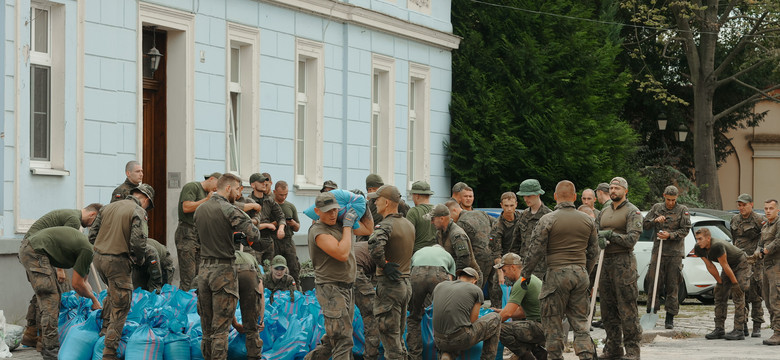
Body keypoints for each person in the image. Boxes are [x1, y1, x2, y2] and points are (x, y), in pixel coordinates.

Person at [521, 180, 599, 360]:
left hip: (556, 275)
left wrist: (525, 275)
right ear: (574, 197)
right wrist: (584, 270)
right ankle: (586, 356)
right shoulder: (588, 220)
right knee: (580, 324)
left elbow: (535, 252)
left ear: (555, 197)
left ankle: (555, 356)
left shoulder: (547, 219)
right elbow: (594, 251)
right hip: (580, 275)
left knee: (553, 323)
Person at [194, 173, 261, 359]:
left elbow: (202, 237)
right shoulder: (229, 209)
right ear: (228, 188)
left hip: (204, 271)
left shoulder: (200, 209)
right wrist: (253, 222)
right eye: (239, 189)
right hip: (223, 271)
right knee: (221, 329)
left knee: (207, 330)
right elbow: (254, 235)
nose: (239, 195)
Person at [19, 204, 102, 348]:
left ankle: (32, 335)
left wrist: (92, 298)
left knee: (45, 291)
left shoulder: (72, 218)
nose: (91, 226)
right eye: (94, 222)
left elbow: (83, 280)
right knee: (50, 296)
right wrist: (60, 270)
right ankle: (49, 347)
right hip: (36, 250)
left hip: (34, 248)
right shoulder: (74, 221)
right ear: (92, 214)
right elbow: (77, 284)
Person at [90, 183, 155, 360]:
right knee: (122, 305)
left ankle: (103, 333)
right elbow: (138, 241)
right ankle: (109, 352)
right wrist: (139, 259)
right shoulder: (138, 211)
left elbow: (91, 236)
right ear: (146, 199)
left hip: (99, 258)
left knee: (112, 294)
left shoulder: (107, 207)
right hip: (118, 261)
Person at [304, 192, 358, 360]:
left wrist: (361, 206)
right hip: (331, 288)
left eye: (335, 210)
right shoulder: (318, 231)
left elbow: (368, 229)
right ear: (317, 211)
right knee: (343, 340)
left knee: (333, 337)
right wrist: (347, 227)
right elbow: (342, 254)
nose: (333, 214)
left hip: (346, 287)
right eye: (328, 211)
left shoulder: (337, 225)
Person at [594, 177, 642, 360]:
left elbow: (631, 240)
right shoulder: (604, 211)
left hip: (624, 264)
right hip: (605, 262)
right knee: (607, 309)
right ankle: (613, 348)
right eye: (611, 188)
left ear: (625, 191)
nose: (613, 190)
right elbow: (595, 231)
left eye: (617, 188)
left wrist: (611, 236)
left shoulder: (633, 212)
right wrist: (598, 238)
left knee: (627, 309)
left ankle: (632, 351)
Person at [368, 185, 415, 359]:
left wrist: (383, 264)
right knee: (398, 338)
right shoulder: (408, 224)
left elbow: (374, 245)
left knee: (390, 338)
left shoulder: (386, 224)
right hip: (404, 283)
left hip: (389, 286)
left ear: (386, 202)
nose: (374, 202)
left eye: (377, 199)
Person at [642, 185, 692, 329]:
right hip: (658, 252)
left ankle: (670, 317)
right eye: (668, 199)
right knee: (653, 282)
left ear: (677, 198)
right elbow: (645, 225)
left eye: (673, 200)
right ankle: (651, 311)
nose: (671, 202)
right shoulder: (657, 208)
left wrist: (670, 235)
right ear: (664, 196)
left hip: (674, 253)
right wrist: (655, 221)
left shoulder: (682, 210)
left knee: (672, 284)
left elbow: (685, 229)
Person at [432, 267, 501, 360]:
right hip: (460, 339)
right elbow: (473, 320)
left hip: (439, 340)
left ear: (458, 277)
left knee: (452, 328)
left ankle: (447, 354)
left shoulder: (440, 286)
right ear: (474, 281)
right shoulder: (475, 290)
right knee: (496, 317)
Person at [695, 228, 751, 341]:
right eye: (697, 239)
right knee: (720, 295)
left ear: (708, 238)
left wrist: (735, 284)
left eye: (700, 239)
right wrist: (719, 283)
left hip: (741, 262)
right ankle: (719, 329)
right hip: (728, 265)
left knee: (738, 294)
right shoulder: (698, 248)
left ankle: (739, 329)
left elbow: (725, 265)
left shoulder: (717, 246)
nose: (698, 242)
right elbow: (710, 266)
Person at [493, 253, 546, 360]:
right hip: (547, 326)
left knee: (499, 329)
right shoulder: (529, 278)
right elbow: (521, 312)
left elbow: (507, 314)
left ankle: (528, 358)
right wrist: (501, 312)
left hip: (541, 327)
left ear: (512, 267)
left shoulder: (521, 282)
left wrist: (489, 323)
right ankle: (540, 354)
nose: (505, 275)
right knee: (516, 328)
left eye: (504, 271)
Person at [408, 244, 455, 360]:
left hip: (416, 274)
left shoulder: (419, 251)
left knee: (414, 318)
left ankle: (415, 355)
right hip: (439, 274)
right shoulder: (447, 255)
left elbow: (409, 272)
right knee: (443, 318)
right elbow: (450, 281)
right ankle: (443, 354)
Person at [176, 172, 221, 291]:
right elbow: (186, 207)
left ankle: (197, 305)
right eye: (218, 184)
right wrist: (206, 200)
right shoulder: (193, 187)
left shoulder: (209, 194)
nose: (217, 188)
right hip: (187, 233)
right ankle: (185, 304)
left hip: (200, 235)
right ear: (211, 179)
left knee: (200, 276)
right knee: (188, 277)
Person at [731, 193, 766, 337]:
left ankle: (757, 324)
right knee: (740, 293)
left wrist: (758, 252)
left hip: (755, 262)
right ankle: (742, 323)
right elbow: (734, 238)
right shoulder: (735, 219)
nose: (741, 207)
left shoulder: (759, 219)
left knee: (755, 293)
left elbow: (764, 238)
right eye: (739, 205)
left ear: (751, 204)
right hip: (740, 261)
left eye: (744, 205)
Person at [454, 192, 499, 303]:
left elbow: (461, 243)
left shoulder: (461, 222)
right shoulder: (481, 213)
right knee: (494, 286)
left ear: (454, 211)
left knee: (476, 286)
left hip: (478, 258)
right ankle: (497, 311)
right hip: (492, 255)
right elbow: (497, 223)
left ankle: (474, 310)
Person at [430, 202, 481, 277]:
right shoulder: (439, 233)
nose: (431, 222)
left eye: (433, 219)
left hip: (469, 276)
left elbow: (464, 260)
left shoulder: (457, 234)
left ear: (441, 219)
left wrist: (452, 274)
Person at [515, 179, 552, 279]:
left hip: (541, 269)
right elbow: (516, 242)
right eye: (524, 196)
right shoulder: (523, 215)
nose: (526, 199)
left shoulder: (549, 216)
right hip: (523, 267)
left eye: (529, 196)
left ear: (538, 194)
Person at [233, 249, 265, 360]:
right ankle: (253, 356)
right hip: (248, 271)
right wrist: (260, 321)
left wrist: (235, 324)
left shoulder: (224, 258)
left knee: (219, 330)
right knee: (251, 328)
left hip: (226, 270)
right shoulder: (252, 261)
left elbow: (224, 303)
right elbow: (260, 292)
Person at [248, 172, 286, 263]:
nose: (264, 184)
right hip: (254, 243)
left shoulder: (269, 200)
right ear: (253, 185)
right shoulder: (248, 202)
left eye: (265, 182)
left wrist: (281, 228)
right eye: (261, 182)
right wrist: (266, 225)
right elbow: (247, 224)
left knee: (269, 270)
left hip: (268, 241)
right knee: (257, 272)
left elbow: (281, 216)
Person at [758, 199, 780, 345]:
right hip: (766, 266)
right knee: (767, 298)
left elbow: (778, 241)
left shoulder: (778, 223)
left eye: (771, 208)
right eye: (766, 208)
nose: (767, 211)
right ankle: (775, 329)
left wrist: (767, 250)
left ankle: (778, 333)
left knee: (776, 299)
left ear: (777, 209)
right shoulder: (766, 225)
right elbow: (760, 243)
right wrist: (758, 251)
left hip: (777, 266)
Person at [353, 241, 380, 360]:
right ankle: (371, 356)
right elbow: (381, 278)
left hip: (336, 272)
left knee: (342, 320)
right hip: (354, 272)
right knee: (372, 315)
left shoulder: (365, 244)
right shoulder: (383, 250)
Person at [273, 180, 302, 285]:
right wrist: (278, 223)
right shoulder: (269, 205)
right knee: (274, 268)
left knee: (294, 267)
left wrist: (293, 223)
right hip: (274, 241)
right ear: (274, 192)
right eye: (281, 195)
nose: (284, 197)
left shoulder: (290, 206)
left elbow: (298, 227)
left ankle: (296, 289)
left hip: (288, 241)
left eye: (286, 194)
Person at [406, 180, 437, 252]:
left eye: (412, 195)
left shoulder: (413, 212)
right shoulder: (438, 210)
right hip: (436, 252)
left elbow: (408, 236)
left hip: (418, 253)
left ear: (417, 196)